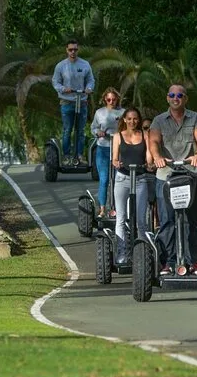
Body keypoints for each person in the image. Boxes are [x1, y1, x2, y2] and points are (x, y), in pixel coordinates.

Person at [149, 84, 197, 276]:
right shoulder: (158, 120)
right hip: (165, 175)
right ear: (167, 98)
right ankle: (168, 262)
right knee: (167, 220)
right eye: (172, 95)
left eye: (180, 95)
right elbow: (154, 141)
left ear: (185, 98)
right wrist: (157, 157)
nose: (176, 98)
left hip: (190, 174)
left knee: (190, 220)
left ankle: (192, 262)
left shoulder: (195, 118)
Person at [111, 107, 153, 264]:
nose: (132, 121)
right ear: (124, 120)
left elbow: (148, 155)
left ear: (139, 120)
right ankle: (122, 252)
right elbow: (114, 158)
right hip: (122, 178)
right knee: (121, 218)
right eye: (129, 119)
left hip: (140, 178)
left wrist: (149, 164)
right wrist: (116, 163)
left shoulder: (145, 135)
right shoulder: (118, 136)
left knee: (141, 220)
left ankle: (143, 253)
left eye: (135, 119)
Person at [51, 39, 95, 165]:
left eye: (75, 49)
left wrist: (89, 88)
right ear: (67, 50)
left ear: (78, 50)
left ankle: (80, 155)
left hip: (82, 101)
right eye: (70, 49)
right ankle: (66, 156)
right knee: (67, 130)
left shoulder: (85, 64)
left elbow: (91, 80)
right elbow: (55, 82)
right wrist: (63, 89)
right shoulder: (61, 66)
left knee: (80, 130)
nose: (73, 52)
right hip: (67, 101)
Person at [91, 87, 124, 217]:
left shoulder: (123, 112)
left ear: (117, 99)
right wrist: (98, 132)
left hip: (118, 149)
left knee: (117, 180)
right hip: (103, 148)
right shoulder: (99, 112)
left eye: (113, 99)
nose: (111, 102)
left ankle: (116, 209)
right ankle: (102, 209)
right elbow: (93, 127)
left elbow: (128, 128)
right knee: (104, 180)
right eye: (109, 99)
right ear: (105, 99)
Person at [142, 118, 159, 230]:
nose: (148, 130)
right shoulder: (138, 142)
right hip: (142, 174)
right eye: (145, 128)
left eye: (150, 128)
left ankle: (157, 220)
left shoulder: (158, 141)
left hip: (157, 173)